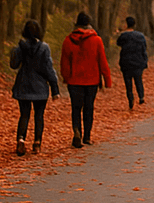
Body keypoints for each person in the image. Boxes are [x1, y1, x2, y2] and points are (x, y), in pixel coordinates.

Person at [60, 12, 112, 147]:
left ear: (76, 24)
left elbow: (64, 63)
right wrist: (107, 80)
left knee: (76, 108)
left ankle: (77, 131)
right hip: (92, 80)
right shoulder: (97, 40)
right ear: (89, 24)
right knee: (89, 108)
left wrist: (66, 77)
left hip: (74, 81)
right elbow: (102, 61)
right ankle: (87, 136)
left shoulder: (68, 40)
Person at [10, 19, 60, 155]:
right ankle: (37, 142)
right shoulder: (44, 48)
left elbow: (14, 65)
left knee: (24, 114)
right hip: (40, 87)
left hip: (23, 85)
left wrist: (15, 51)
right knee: (39, 115)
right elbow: (49, 69)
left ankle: (21, 140)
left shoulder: (21, 47)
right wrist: (54, 88)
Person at [116, 16, 148, 109]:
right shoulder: (140, 36)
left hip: (126, 62)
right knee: (138, 80)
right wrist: (145, 61)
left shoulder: (123, 36)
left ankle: (130, 99)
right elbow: (144, 48)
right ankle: (141, 96)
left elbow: (118, 43)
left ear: (126, 24)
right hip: (138, 62)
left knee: (128, 82)